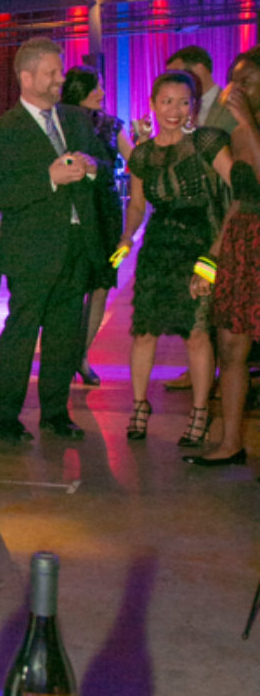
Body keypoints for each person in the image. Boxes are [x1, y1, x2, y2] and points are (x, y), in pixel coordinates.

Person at [0, 37, 109, 443]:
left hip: (77, 246)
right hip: (31, 252)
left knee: (64, 335)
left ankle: (56, 413)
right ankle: (4, 416)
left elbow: (107, 164)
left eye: (60, 71)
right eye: (52, 73)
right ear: (26, 77)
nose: (60, 79)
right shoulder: (2, 132)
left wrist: (92, 167)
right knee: (20, 335)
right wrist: (48, 179)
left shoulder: (76, 118)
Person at [113, 71, 232, 446]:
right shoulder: (143, 154)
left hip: (203, 245)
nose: (175, 110)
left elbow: (239, 193)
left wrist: (213, 256)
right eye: (167, 101)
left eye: (184, 102)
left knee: (197, 333)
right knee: (144, 330)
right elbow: (137, 205)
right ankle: (139, 406)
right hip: (159, 247)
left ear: (193, 107)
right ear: (153, 103)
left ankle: (200, 412)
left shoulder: (206, 142)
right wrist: (126, 238)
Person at [185, 48, 260, 468]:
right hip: (244, 241)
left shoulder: (247, 129)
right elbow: (241, 198)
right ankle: (230, 443)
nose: (237, 88)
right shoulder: (239, 133)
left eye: (247, 81)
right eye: (235, 80)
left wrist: (247, 122)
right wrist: (211, 257)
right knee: (231, 345)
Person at [61, 65, 125, 386]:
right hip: (72, 211)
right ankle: (64, 354)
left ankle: (82, 356)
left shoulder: (111, 124)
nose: (102, 92)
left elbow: (135, 159)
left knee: (101, 286)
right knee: (72, 285)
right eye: (96, 86)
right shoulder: (60, 122)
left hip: (107, 211)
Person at [165, 46, 221, 124]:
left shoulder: (230, 104)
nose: (173, 82)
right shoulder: (181, 107)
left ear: (199, 70)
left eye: (179, 75)